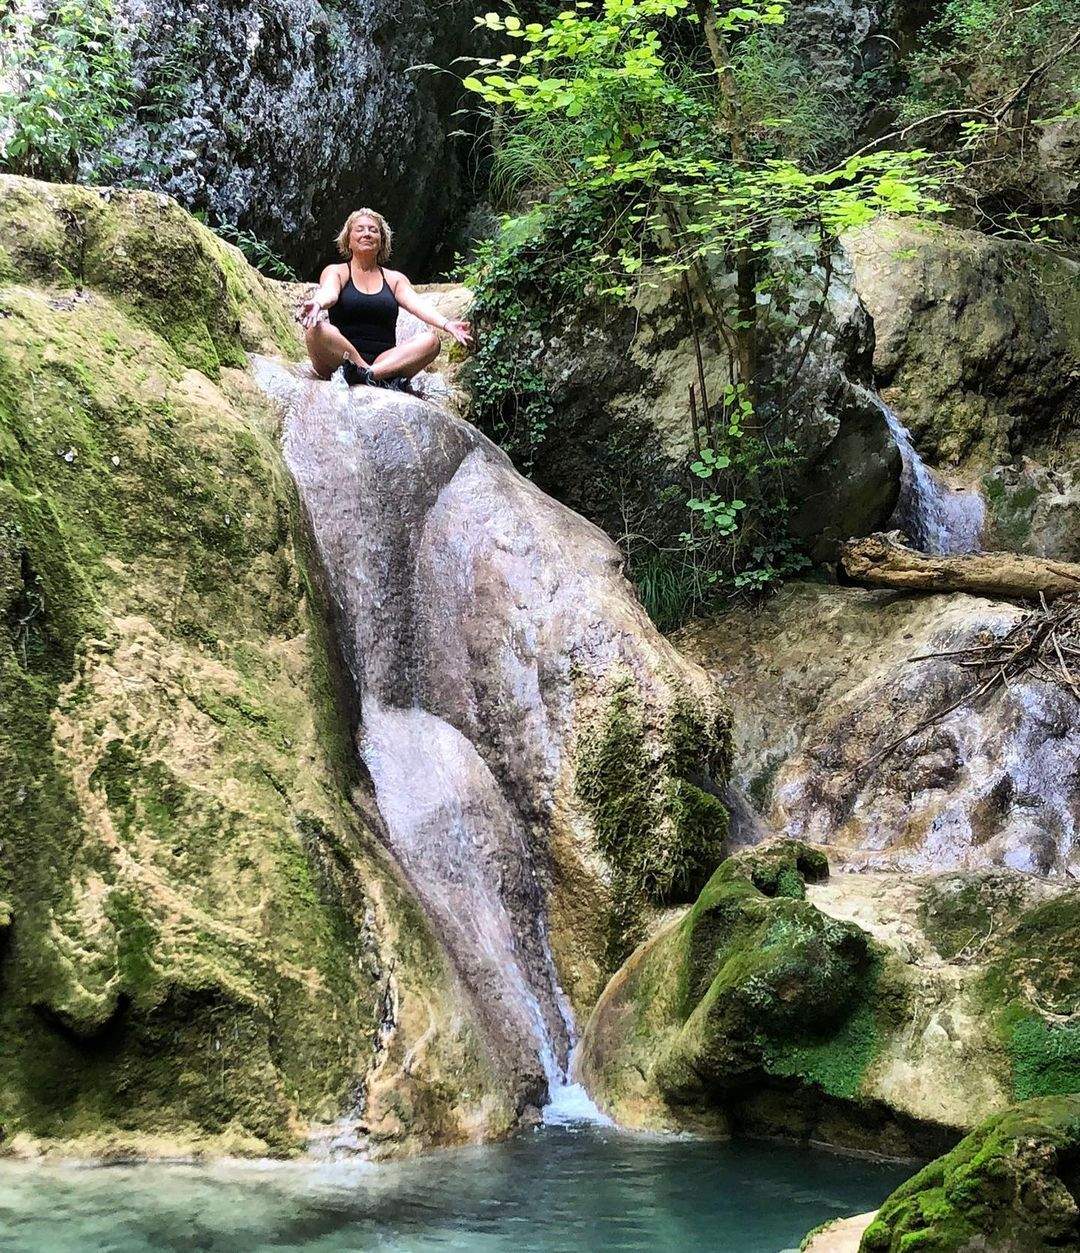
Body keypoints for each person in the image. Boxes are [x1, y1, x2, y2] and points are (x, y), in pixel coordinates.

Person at [298, 208, 472, 389]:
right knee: (315, 330)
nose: (367, 234)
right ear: (348, 240)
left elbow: (417, 304)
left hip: (384, 361)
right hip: (340, 358)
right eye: (360, 229)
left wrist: (447, 324)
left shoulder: (394, 279)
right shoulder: (337, 271)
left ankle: (368, 374)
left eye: (373, 230)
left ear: (381, 241)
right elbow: (329, 292)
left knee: (431, 341)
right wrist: (317, 303)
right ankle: (368, 374)